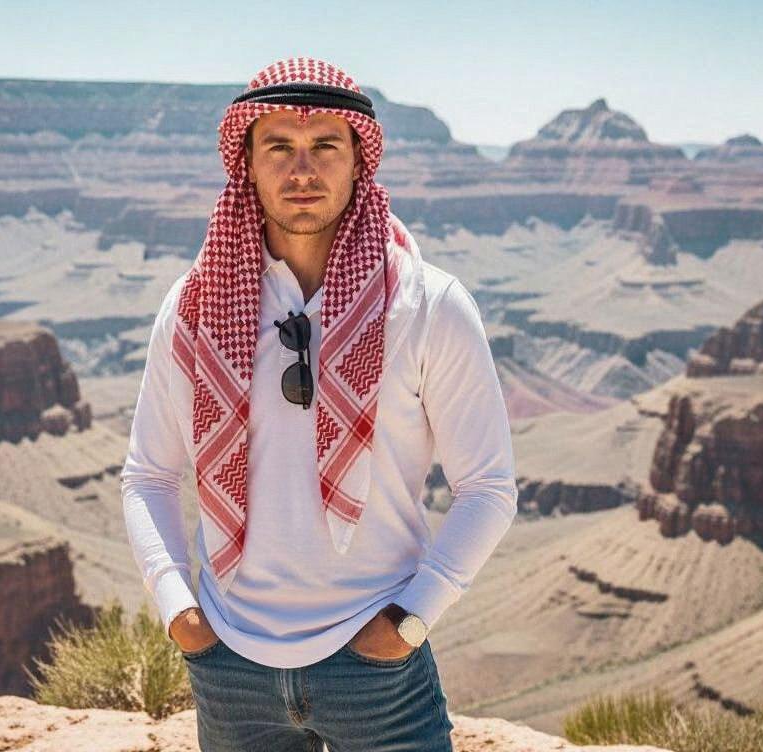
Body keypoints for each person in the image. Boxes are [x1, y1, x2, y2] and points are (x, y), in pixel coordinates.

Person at [121, 57, 516, 752]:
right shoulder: (195, 306)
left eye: (325, 146)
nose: (302, 170)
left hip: (376, 665)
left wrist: (408, 623)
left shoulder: (428, 305)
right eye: (278, 146)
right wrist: (180, 611)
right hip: (230, 664)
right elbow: (148, 474)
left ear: (360, 161)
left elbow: (488, 488)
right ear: (246, 163)